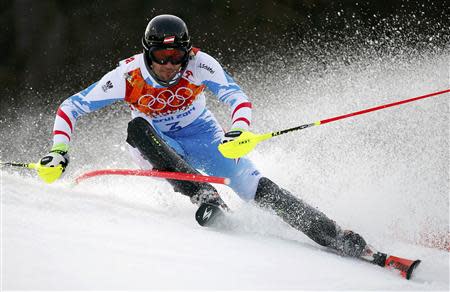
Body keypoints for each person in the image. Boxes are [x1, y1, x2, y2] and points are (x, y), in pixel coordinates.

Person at [39, 14, 388, 267]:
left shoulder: (200, 64)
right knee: (138, 130)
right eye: (161, 57)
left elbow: (238, 97)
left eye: (176, 57)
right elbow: (71, 106)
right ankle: (204, 195)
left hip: (203, 133)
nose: (169, 65)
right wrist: (58, 150)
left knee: (255, 186)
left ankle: (337, 236)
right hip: (158, 143)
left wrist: (239, 129)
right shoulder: (127, 75)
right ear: (148, 54)